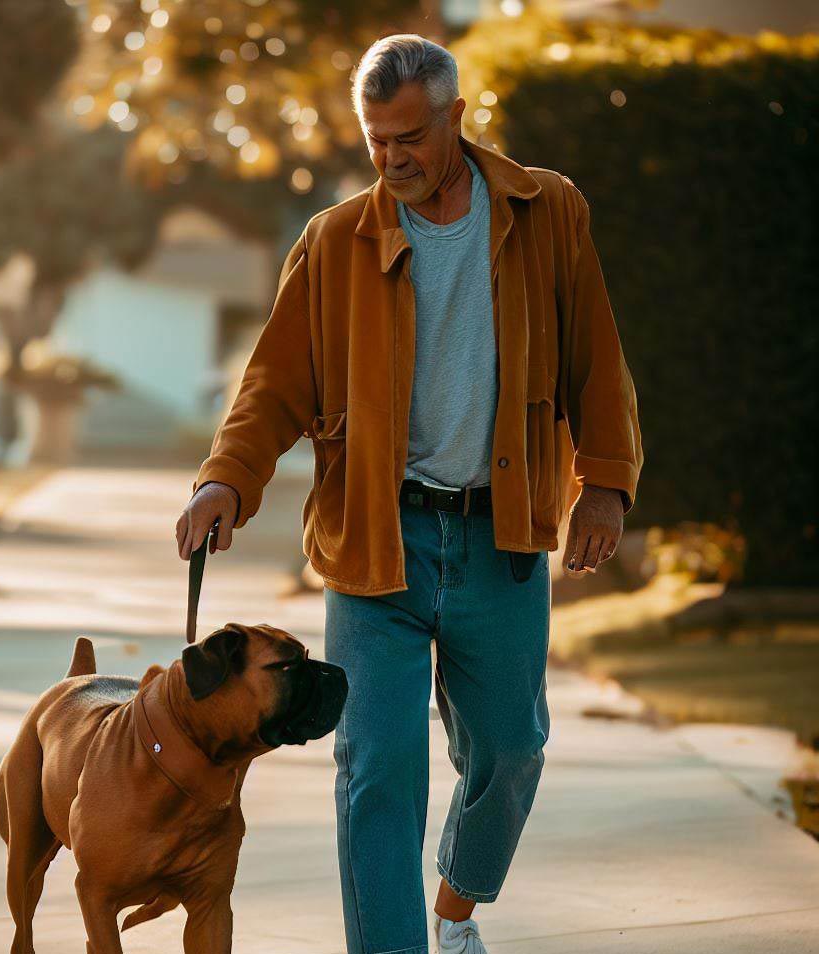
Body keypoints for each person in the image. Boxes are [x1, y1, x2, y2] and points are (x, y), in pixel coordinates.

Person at [175, 34, 643, 954]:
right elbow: (274, 385)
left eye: (410, 138)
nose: (392, 159)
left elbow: (598, 360)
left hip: (498, 540)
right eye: (376, 140)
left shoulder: (547, 211)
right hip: (374, 544)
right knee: (377, 768)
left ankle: (457, 906)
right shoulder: (335, 242)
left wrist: (606, 485)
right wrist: (227, 478)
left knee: (509, 751)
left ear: (456, 118)